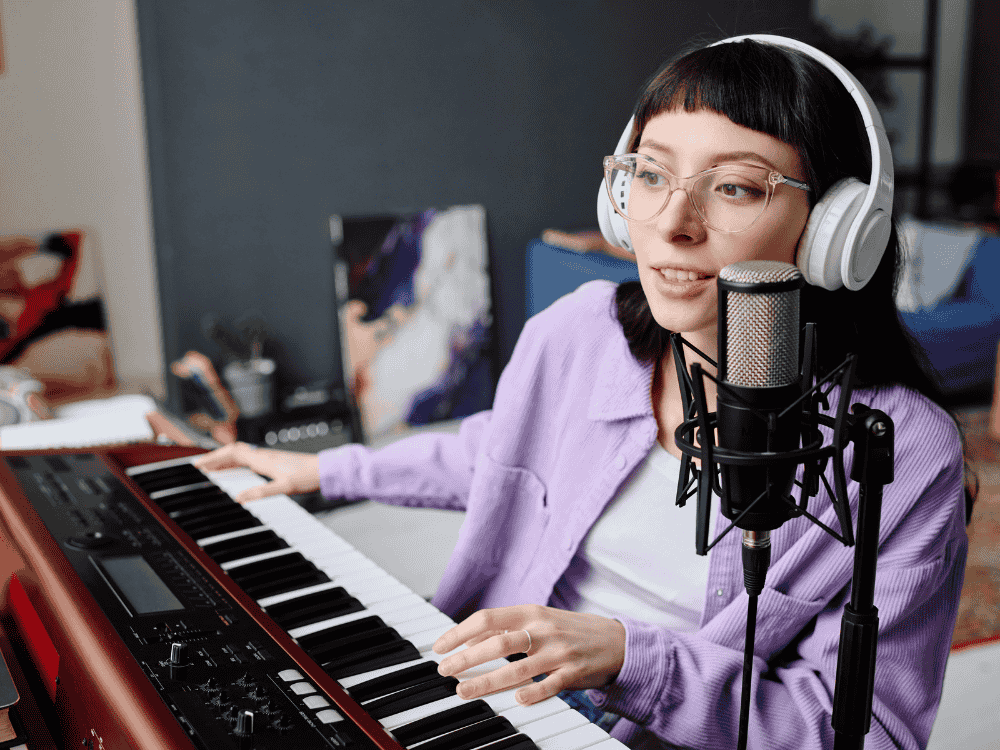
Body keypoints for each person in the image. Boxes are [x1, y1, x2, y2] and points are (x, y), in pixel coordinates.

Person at [194, 36, 967, 749]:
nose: (672, 223)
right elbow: (502, 457)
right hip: (493, 699)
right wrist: (327, 472)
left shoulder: (899, 451)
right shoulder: (581, 333)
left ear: (838, 229)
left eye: (734, 188)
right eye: (653, 174)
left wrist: (629, 659)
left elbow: (865, 735)